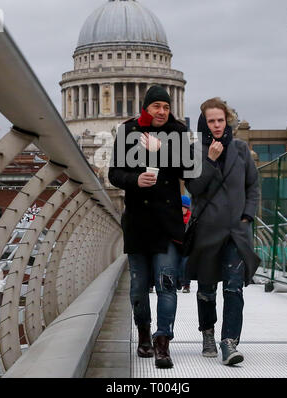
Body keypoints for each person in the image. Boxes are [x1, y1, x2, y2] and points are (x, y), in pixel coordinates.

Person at [108, 85, 188, 369]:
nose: (162, 112)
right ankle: (143, 333)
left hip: (167, 225)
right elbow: (114, 174)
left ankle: (162, 341)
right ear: (146, 107)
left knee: (167, 284)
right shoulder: (127, 132)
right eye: (157, 107)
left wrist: (162, 150)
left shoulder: (178, 132)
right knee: (138, 288)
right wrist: (135, 181)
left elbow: (187, 169)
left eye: (166, 107)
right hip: (139, 224)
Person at [185, 97, 260, 366]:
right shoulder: (194, 151)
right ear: (203, 123)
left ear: (226, 120)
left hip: (236, 232)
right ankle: (207, 333)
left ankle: (229, 342)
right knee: (206, 290)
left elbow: (252, 187)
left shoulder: (241, 150)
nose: (216, 125)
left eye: (220, 120)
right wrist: (210, 160)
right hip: (207, 231)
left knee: (233, 288)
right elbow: (193, 189)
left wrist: (247, 217)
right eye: (211, 121)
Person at [180, 195, 192, 293]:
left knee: (185, 264)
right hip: (177, 246)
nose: (182, 209)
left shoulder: (190, 219)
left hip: (187, 247)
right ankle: (178, 282)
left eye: (184, 207)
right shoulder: (175, 218)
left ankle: (186, 284)